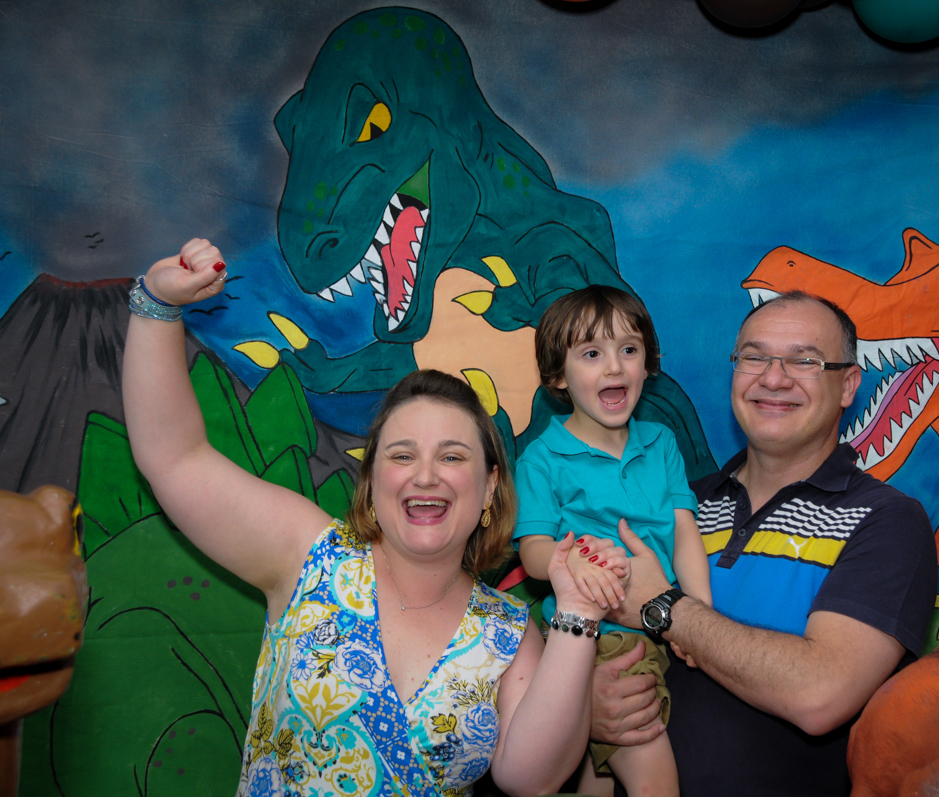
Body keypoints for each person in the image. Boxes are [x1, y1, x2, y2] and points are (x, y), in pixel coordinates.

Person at [123, 239, 607, 797]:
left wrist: (575, 615)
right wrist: (156, 304)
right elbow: (173, 457)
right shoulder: (307, 555)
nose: (426, 475)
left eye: (452, 456)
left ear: (489, 486)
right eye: (402, 455)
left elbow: (532, 779)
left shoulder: (510, 634)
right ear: (372, 482)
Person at [583, 290, 938, 797]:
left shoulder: (886, 521)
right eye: (754, 357)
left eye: (805, 360)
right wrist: (588, 710)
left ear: (848, 385)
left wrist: (664, 607)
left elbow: (821, 693)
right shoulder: (673, 504)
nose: (773, 378)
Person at [512, 285, 712, 797]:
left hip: (660, 629)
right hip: (597, 639)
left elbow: (685, 530)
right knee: (655, 780)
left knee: (596, 781)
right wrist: (572, 563)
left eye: (629, 349)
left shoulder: (661, 444)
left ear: (648, 364)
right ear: (558, 376)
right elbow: (532, 551)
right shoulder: (542, 458)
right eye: (592, 354)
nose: (615, 367)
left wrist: (699, 619)